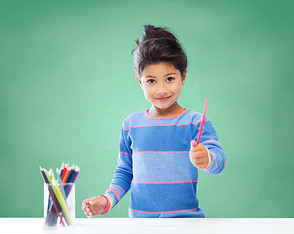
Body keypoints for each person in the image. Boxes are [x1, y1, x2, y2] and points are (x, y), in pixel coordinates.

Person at [82, 25, 226, 218]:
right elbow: (125, 171)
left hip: (187, 224)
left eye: (169, 78)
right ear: (139, 81)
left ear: (182, 77)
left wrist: (207, 158)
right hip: (141, 226)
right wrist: (108, 199)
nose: (161, 90)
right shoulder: (131, 124)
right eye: (151, 81)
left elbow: (219, 163)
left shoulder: (195, 122)